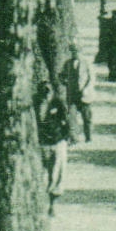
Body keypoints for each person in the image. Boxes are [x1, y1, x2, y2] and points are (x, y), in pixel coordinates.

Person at [35, 76, 78, 217]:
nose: (46, 94)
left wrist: (69, 136)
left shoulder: (57, 103)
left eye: (48, 91)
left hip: (57, 142)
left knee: (57, 174)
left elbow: (67, 120)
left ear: (52, 92)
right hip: (40, 144)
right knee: (39, 174)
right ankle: (39, 203)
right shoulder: (34, 104)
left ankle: (52, 204)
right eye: (43, 91)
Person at [61, 44, 95, 142]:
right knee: (72, 117)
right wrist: (65, 82)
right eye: (73, 52)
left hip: (84, 95)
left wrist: (87, 89)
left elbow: (92, 78)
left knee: (87, 117)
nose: (75, 54)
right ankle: (74, 138)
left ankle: (88, 137)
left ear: (81, 52)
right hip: (72, 94)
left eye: (76, 52)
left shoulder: (87, 63)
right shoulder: (67, 63)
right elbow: (62, 75)